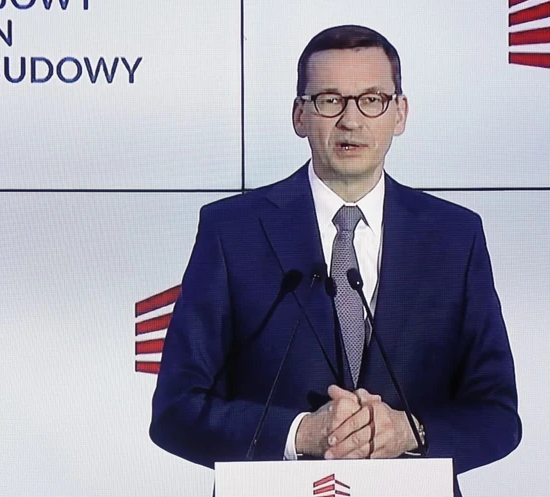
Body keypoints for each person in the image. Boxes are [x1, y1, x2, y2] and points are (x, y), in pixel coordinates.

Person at [149, 25, 521, 497]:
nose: (351, 120)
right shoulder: (233, 231)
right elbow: (177, 410)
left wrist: (410, 432)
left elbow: (498, 416)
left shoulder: (454, 236)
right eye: (330, 100)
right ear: (299, 115)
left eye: (372, 100)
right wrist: (300, 433)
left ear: (400, 113)